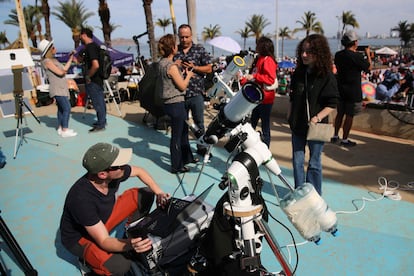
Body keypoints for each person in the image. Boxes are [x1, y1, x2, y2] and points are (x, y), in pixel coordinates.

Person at [59, 142, 170, 275]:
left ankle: (131, 232)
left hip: (101, 219)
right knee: (120, 266)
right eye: (120, 165)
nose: (125, 167)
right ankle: (87, 262)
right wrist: (130, 245)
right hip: (81, 237)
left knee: (146, 193)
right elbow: (104, 240)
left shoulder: (114, 173)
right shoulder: (81, 199)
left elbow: (140, 171)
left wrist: (159, 192)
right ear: (102, 174)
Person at [288, 34, 339, 195]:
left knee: (315, 162)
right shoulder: (298, 74)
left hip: (316, 126)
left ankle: (314, 193)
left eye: (309, 52)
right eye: (302, 51)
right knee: (297, 161)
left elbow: (332, 103)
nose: (304, 55)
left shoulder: (326, 76)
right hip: (298, 125)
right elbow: (292, 96)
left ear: (319, 53)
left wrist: (317, 118)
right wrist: (290, 115)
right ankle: (300, 191)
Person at [158, 34, 198, 174]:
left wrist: (176, 66)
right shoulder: (172, 67)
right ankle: (176, 166)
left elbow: (169, 75)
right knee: (177, 136)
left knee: (181, 133)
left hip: (168, 104)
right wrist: (188, 75)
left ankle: (185, 159)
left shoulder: (162, 63)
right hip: (176, 103)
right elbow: (182, 86)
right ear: (173, 48)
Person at [174, 24, 213, 157]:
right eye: (181, 37)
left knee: (199, 123)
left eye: (186, 37)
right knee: (182, 123)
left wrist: (194, 67)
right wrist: (176, 65)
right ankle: (184, 149)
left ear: (191, 36)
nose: (184, 40)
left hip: (196, 93)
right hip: (179, 94)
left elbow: (209, 68)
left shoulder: (199, 49)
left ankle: (202, 147)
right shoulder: (175, 51)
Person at [332, 30, 372, 147]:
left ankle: (335, 135)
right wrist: (368, 54)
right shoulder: (357, 56)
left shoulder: (338, 55)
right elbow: (368, 67)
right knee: (349, 115)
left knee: (340, 113)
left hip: (340, 89)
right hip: (353, 91)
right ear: (354, 42)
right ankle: (345, 139)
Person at [240, 36, 278, 148]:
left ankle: (265, 149)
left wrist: (254, 76)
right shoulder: (260, 59)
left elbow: (270, 78)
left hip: (265, 99)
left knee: (264, 126)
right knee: (252, 124)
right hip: (257, 98)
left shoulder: (267, 60)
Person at [39, 39, 77, 138]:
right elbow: (60, 72)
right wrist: (63, 70)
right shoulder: (47, 61)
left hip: (62, 87)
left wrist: (70, 58)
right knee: (67, 108)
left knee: (61, 109)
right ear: (49, 50)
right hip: (57, 88)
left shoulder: (54, 60)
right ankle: (65, 129)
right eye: (53, 47)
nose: (55, 48)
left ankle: (61, 128)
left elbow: (64, 70)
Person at [80, 27, 107, 133]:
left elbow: (95, 65)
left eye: (81, 36)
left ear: (84, 35)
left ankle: (101, 124)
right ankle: (102, 121)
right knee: (100, 101)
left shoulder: (91, 47)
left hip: (93, 80)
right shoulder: (95, 46)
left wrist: (88, 76)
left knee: (98, 102)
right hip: (98, 79)